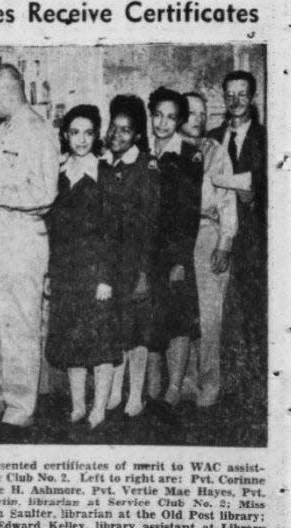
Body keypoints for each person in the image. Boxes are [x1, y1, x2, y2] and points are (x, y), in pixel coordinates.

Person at [0, 64, 60, 436]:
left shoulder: (38, 131)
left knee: (18, 324)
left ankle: (21, 406)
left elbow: (44, 195)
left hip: (22, 240)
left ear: (7, 90)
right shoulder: (1, 132)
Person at [44, 105, 117, 430]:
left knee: (99, 342)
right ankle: (77, 406)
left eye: (88, 132)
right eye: (75, 132)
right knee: (73, 341)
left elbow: (113, 233)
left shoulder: (105, 173)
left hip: (95, 273)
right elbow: (51, 230)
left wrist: (106, 278)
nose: (81, 139)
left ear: (97, 134)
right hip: (64, 272)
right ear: (65, 135)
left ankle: (98, 408)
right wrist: (49, 272)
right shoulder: (57, 174)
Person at [100, 95, 160, 419]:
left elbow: (151, 224)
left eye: (126, 130)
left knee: (137, 332)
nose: (118, 135)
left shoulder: (146, 166)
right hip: (112, 262)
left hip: (137, 262)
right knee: (116, 329)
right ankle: (114, 391)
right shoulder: (106, 164)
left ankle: (135, 395)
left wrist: (144, 273)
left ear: (137, 135)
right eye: (114, 128)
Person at [207, 71, 266, 389]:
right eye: (230, 94)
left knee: (253, 310)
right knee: (221, 313)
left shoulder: (268, 138)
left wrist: (256, 195)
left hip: (254, 238)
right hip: (218, 235)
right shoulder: (213, 136)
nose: (236, 100)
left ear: (252, 97)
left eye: (242, 94)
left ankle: (257, 381)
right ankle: (225, 382)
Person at [147, 87, 204, 411]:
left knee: (179, 319)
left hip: (176, 249)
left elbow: (190, 212)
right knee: (154, 316)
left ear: (179, 120)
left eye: (171, 117)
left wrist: (181, 259)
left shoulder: (189, 154)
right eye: (158, 115)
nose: (163, 123)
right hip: (149, 250)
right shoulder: (145, 153)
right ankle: (154, 385)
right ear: (151, 114)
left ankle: (174, 387)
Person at [179, 92, 237, 407]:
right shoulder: (169, 150)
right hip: (177, 242)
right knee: (181, 315)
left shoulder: (217, 152)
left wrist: (224, 244)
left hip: (207, 236)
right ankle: (185, 382)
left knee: (209, 317)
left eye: (203, 113)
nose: (199, 118)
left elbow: (227, 201)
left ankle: (209, 383)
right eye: (192, 112)